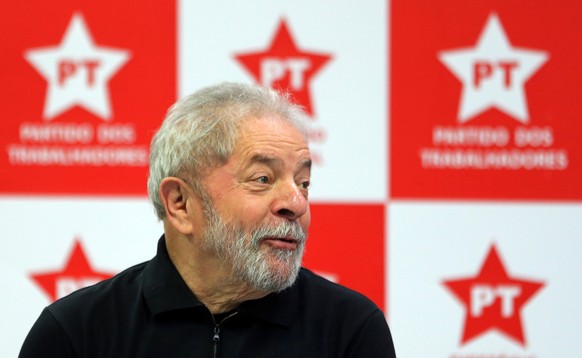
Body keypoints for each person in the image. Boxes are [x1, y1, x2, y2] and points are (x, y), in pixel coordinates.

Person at [19, 82, 396, 357]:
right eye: (262, 179)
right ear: (180, 203)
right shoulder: (77, 333)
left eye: (304, 182)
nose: (295, 203)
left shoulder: (350, 329)